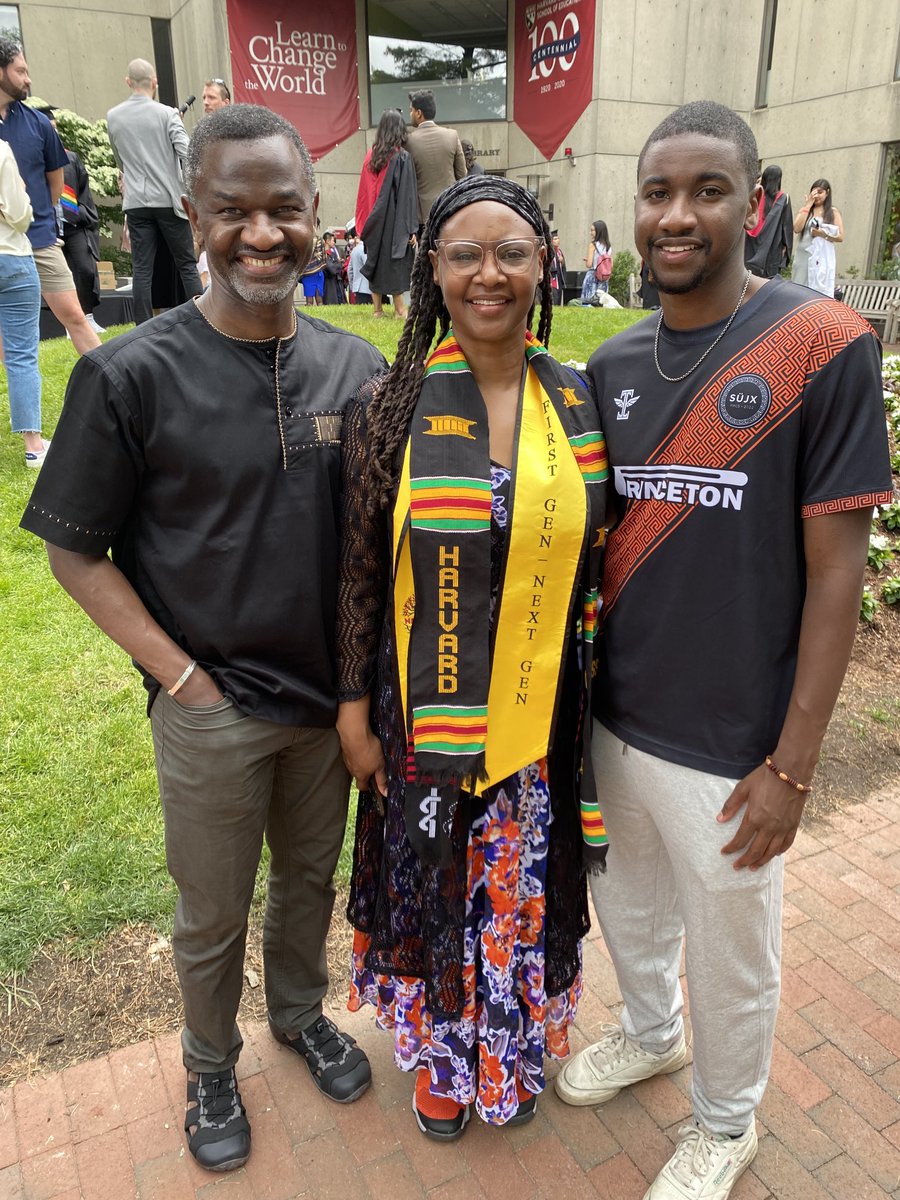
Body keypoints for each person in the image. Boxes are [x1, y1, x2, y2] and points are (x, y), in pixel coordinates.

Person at [21, 104, 385, 1174]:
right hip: (210, 707)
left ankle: (299, 1014)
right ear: (194, 218)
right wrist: (181, 678)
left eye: (284, 210)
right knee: (212, 911)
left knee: (310, 880)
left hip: (327, 706)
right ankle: (211, 1064)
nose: (261, 234)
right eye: (233, 211)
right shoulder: (130, 375)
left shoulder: (359, 370)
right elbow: (74, 552)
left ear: (317, 217)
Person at [554, 100, 893, 1200]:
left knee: (733, 951)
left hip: (737, 744)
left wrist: (792, 764)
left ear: (754, 204)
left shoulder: (823, 345)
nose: (678, 215)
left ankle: (725, 1122)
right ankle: (652, 1034)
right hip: (616, 718)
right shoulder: (611, 362)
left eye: (708, 190)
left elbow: (838, 575)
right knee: (632, 912)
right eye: (658, 193)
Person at [336, 174, 609, 1142]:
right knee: (436, 878)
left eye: (511, 254)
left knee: (516, 885)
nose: (489, 274)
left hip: (538, 713)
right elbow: (358, 570)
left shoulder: (575, 402)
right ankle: (446, 1064)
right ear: (433, 273)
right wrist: (353, 710)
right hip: (425, 712)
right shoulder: (389, 407)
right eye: (465, 255)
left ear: (544, 267)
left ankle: (509, 1047)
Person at [0, 41, 100, 355]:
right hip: (2, 246)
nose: (28, 79)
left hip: (40, 240)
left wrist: (37, 216)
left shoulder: (39, 123)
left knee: (75, 316)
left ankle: (111, 378)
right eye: (20, 71)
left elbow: (56, 185)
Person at [107, 58, 202, 324]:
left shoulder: (113, 116)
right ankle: (201, 321)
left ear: (128, 82)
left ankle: (142, 327)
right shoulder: (167, 114)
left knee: (142, 270)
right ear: (155, 82)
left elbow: (120, 162)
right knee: (186, 264)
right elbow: (188, 153)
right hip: (169, 200)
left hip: (136, 202)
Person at [0, 138, 44, 465]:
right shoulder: (1, 150)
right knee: (21, 356)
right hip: (11, 255)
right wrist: (23, 193)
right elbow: (19, 216)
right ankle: (33, 446)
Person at [355, 108, 417, 319]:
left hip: (373, 220)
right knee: (395, 262)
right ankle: (400, 309)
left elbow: (364, 193)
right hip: (393, 220)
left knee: (375, 260)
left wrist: (365, 222)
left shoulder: (370, 156)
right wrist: (410, 228)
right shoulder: (402, 157)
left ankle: (377, 309)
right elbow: (407, 196)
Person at [405, 89, 466, 230]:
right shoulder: (452, 136)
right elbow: (462, 175)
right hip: (449, 210)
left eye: (411, 110)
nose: (410, 114)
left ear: (419, 113)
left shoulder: (408, 141)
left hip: (422, 218)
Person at [792, 178, 843, 295]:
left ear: (827, 193)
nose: (817, 196)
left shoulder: (832, 212)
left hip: (820, 258)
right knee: (798, 288)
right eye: (814, 192)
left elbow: (840, 237)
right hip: (802, 256)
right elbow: (797, 228)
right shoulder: (806, 210)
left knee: (816, 289)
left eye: (820, 192)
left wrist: (823, 234)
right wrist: (807, 205)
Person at [744, 164, 793, 278]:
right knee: (767, 280)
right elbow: (787, 226)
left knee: (747, 277)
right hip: (772, 246)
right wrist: (786, 248)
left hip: (749, 245)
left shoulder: (755, 195)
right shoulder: (783, 198)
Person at [579, 219, 611, 303]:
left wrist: (587, 261)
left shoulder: (593, 245)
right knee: (601, 302)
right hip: (604, 278)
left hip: (593, 275)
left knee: (589, 302)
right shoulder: (608, 246)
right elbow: (610, 264)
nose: (590, 232)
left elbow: (589, 264)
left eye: (592, 230)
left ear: (598, 231)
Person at [322, 231, 346, 304]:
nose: (334, 242)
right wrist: (339, 264)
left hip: (337, 282)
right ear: (327, 241)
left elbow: (338, 266)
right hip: (328, 283)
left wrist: (338, 264)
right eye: (332, 240)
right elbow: (332, 269)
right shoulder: (324, 254)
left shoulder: (333, 253)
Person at [347, 235, 371, 304]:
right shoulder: (365, 249)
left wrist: (352, 286)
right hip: (367, 288)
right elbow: (368, 267)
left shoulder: (354, 250)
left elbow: (349, 270)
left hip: (357, 287)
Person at [548, 229, 566, 303]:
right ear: (551, 241)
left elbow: (563, 267)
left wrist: (562, 261)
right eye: (555, 239)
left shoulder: (559, 252)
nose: (557, 240)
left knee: (558, 300)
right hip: (552, 281)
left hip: (559, 280)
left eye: (558, 238)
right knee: (553, 300)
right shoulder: (549, 252)